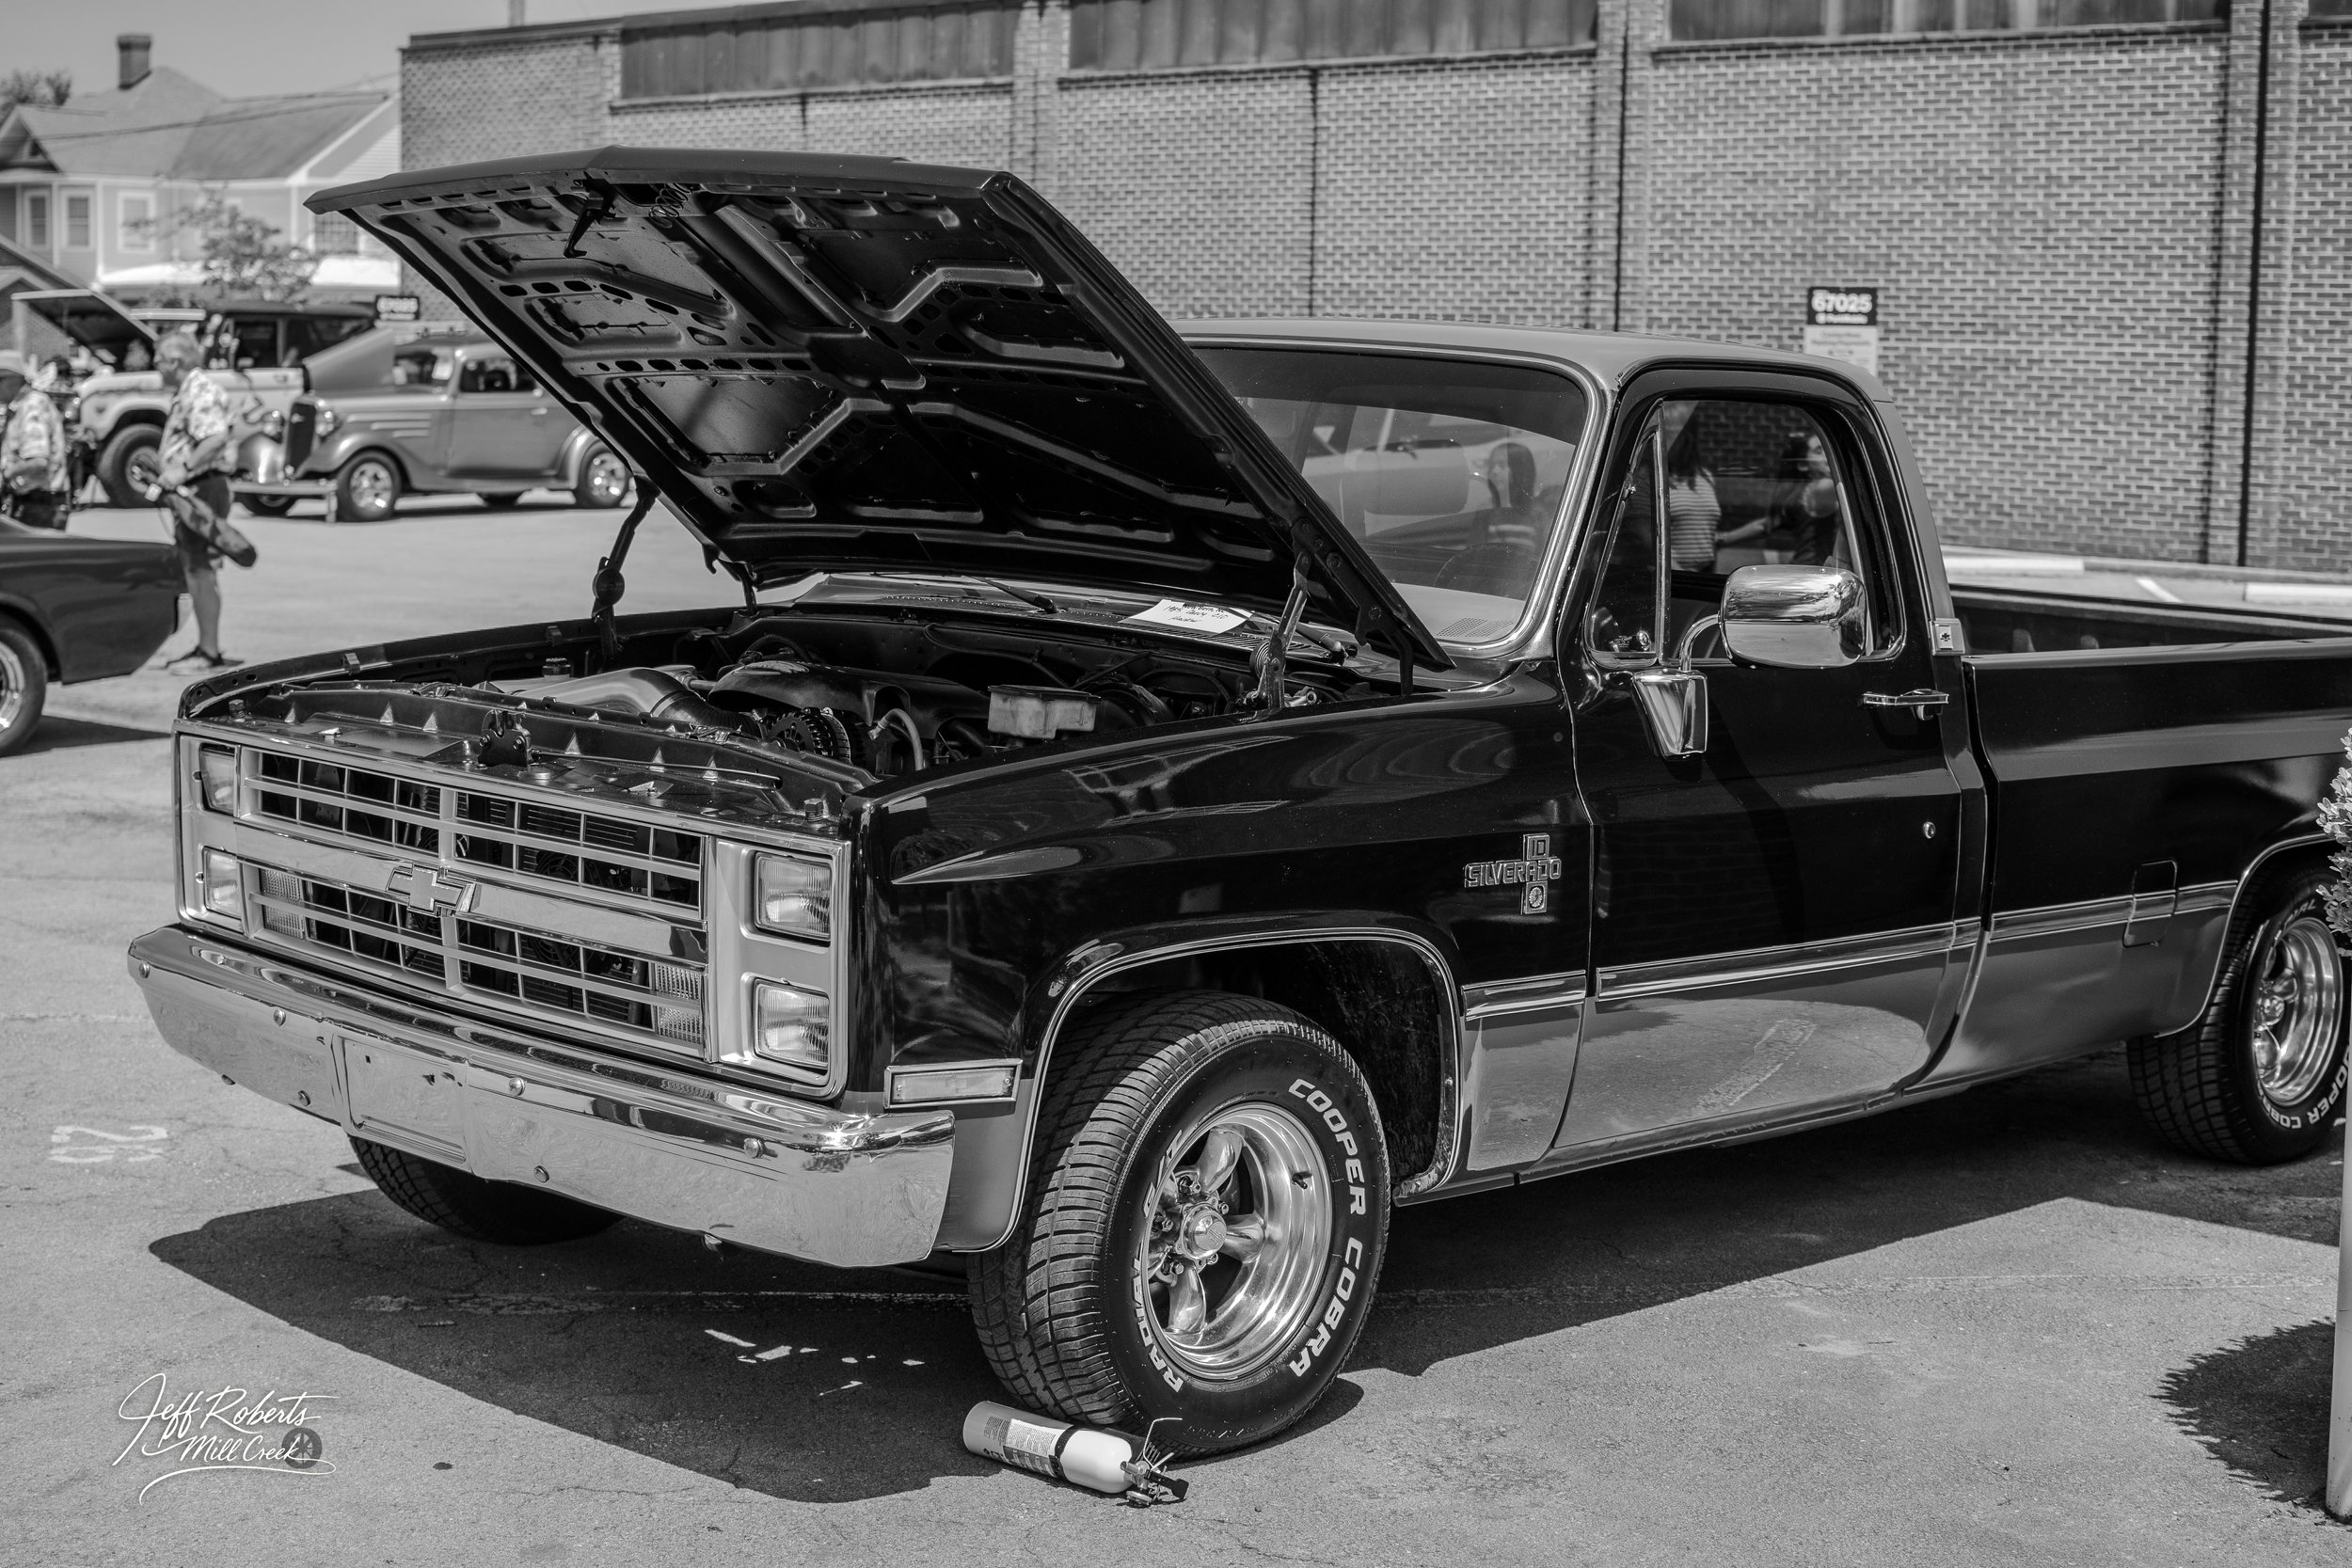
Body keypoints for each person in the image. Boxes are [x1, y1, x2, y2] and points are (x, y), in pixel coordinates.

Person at [155, 331, 242, 673]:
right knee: (197, 570)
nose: (156, 367)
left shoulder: (200, 390)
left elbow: (215, 437)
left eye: (158, 360)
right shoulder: (190, 390)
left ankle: (208, 652)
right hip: (197, 488)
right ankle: (206, 648)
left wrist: (182, 470)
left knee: (200, 570)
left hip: (202, 488)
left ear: (175, 362)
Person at [0, 350, 70, 530]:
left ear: (15, 379)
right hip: (34, 499)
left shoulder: (32, 406)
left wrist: (6, 475)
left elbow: (38, 461)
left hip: (41, 502)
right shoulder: (20, 405)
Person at [1661, 402, 1721, 573]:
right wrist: (1682, 574)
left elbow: (1706, 533)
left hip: (1703, 576)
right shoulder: (1650, 479)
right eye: (1670, 433)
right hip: (1674, 580)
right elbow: (1647, 542)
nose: (1674, 440)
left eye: (1681, 433)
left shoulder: (1704, 476)